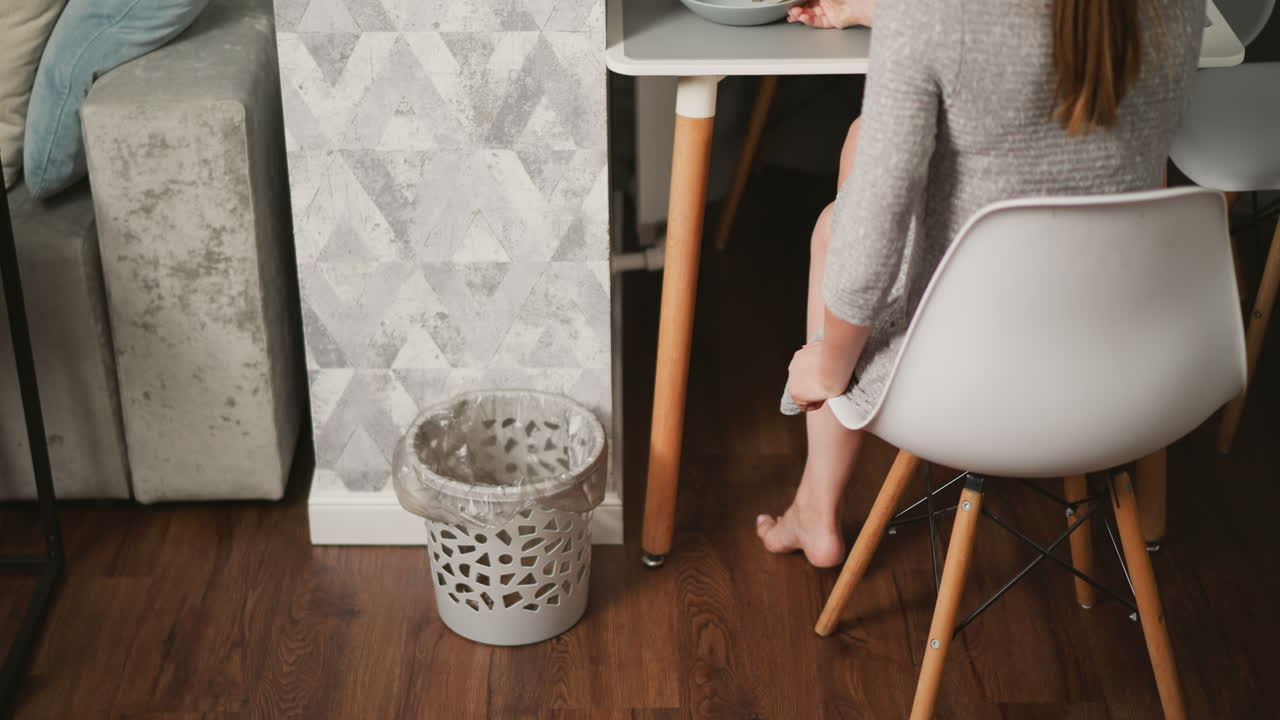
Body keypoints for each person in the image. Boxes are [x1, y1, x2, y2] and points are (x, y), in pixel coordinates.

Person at [757, 0, 1205, 567]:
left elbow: (875, 230)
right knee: (865, 138)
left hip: (967, 373)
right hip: (1136, 367)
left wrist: (828, 364)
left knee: (841, 223)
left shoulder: (934, 15)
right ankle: (813, 508)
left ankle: (816, 509)